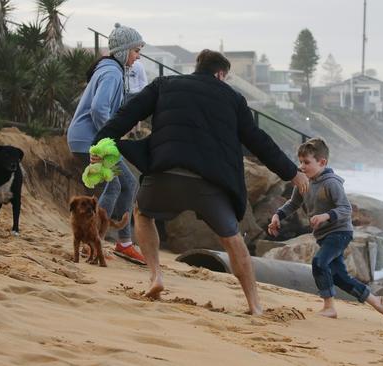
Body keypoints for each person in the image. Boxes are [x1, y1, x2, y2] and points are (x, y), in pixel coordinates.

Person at [92, 50, 309, 315]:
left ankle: (156, 276)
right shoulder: (233, 98)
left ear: (198, 67)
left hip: (165, 173)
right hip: (210, 183)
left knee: (143, 213)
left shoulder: (165, 85)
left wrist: (100, 143)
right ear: (220, 74)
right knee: (232, 240)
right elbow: (258, 140)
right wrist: (292, 173)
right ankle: (255, 305)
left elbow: (127, 114)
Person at [268, 138, 383, 324]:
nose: (302, 167)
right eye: (300, 162)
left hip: (340, 232)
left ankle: (329, 308)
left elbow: (346, 209)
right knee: (340, 277)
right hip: (323, 236)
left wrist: (325, 216)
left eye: (307, 162)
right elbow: (293, 203)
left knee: (319, 262)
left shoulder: (331, 183)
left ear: (322, 162)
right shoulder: (304, 182)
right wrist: (277, 216)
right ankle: (376, 302)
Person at [66, 23, 146, 265]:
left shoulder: (110, 68)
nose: (138, 56)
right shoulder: (112, 72)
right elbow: (99, 108)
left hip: (86, 139)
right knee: (123, 185)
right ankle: (104, 241)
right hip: (91, 141)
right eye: (136, 51)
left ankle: (115, 242)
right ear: (123, 51)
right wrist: (111, 133)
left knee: (122, 185)